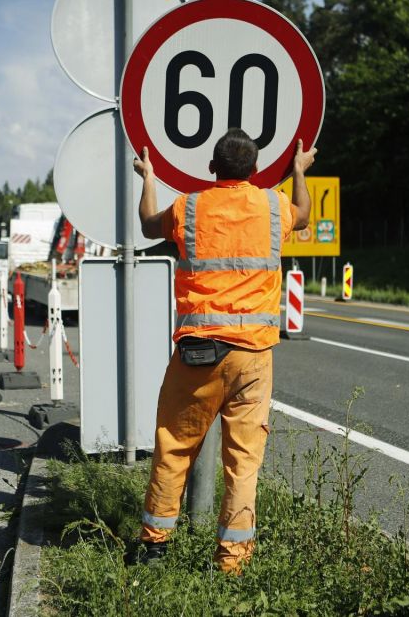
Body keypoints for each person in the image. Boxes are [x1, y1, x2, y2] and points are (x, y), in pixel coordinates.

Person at [132, 127, 316, 574]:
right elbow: (305, 215)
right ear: (255, 170)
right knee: (243, 463)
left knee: (173, 446)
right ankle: (232, 563)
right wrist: (298, 171)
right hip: (253, 355)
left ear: (212, 168)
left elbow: (147, 222)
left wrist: (149, 177)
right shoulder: (274, 206)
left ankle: (155, 548)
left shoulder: (189, 206)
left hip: (199, 351)